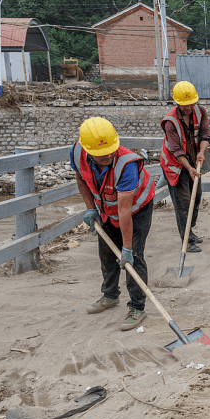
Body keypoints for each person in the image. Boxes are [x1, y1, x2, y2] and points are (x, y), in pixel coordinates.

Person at [71, 117, 156, 331]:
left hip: (137, 208)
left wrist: (126, 248)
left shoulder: (127, 164)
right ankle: (110, 295)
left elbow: (125, 211)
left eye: (111, 149)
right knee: (107, 251)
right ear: (88, 150)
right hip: (108, 208)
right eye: (101, 153)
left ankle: (137, 306)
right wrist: (90, 207)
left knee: (133, 257)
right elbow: (80, 178)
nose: (108, 154)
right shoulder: (78, 153)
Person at [159, 81, 210, 252]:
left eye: (191, 104)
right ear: (177, 103)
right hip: (176, 165)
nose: (188, 107)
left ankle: (190, 230)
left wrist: (202, 153)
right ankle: (186, 240)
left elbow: (205, 135)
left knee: (197, 197)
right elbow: (176, 150)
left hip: (195, 159)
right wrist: (189, 168)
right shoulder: (170, 122)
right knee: (183, 203)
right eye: (184, 105)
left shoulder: (200, 111)